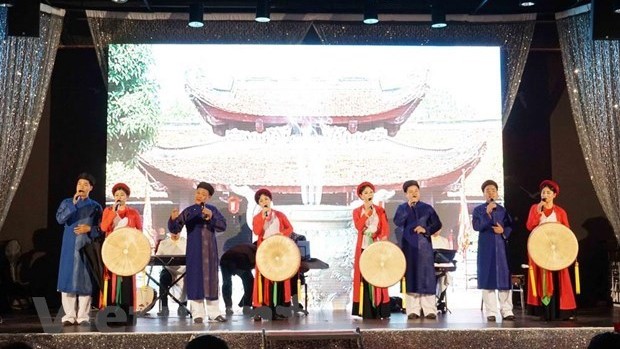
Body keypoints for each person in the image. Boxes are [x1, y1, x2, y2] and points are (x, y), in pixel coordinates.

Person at [168, 182, 227, 323]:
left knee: (211, 281)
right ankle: (197, 314)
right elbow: (175, 229)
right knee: (195, 280)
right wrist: (173, 218)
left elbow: (222, 226)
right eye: (198, 192)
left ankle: (214, 313)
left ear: (209, 197)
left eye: (203, 194)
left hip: (210, 252)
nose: (200, 196)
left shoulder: (213, 210)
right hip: (194, 251)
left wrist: (211, 216)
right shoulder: (189, 211)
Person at [55, 172, 102, 326]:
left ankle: (83, 315)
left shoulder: (95, 206)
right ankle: (69, 315)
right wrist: (72, 206)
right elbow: (60, 219)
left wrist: (89, 228)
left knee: (85, 280)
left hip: (86, 246)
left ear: (91, 188)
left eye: (85, 184)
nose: (81, 187)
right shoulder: (67, 202)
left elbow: (101, 229)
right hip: (69, 247)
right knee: (67, 278)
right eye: (79, 184)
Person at [526, 179, 577, 320]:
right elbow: (530, 226)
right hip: (539, 249)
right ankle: (544, 311)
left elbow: (567, 232)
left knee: (559, 278)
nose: (545, 195)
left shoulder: (560, 212)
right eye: (543, 192)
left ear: (554, 195)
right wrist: (538, 211)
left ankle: (562, 311)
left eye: (548, 192)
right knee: (542, 278)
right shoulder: (535, 208)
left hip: (557, 250)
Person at [393, 180, 442, 319]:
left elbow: (437, 224)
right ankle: (412, 310)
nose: (414, 194)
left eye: (416, 191)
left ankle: (429, 309)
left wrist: (425, 229)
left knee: (426, 276)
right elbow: (397, 222)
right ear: (406, 194)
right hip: (409, 248)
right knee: (412, 276)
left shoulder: (427, 208)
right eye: (411, 192)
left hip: (425, 247)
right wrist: (408, 208)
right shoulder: (402, 208)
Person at [99, 182, 143, 324]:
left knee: (126, 284)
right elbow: (104, 227)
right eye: (116, 195)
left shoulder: (133, 213)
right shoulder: (108, 211)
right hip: (112, 253)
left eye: (122, 195)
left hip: (128, 253)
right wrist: (113, 212)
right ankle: (112, 314)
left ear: (127, 197)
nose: (119, 197)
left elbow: (139, 233)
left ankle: (127, 314)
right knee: (111, 282)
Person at [472, 180, 515, 322]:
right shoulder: (478, 210)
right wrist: (487, 213)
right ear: (483, 193)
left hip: (501, 249)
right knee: (487, 279)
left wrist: (504, 231)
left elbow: (509, 226)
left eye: (493, 190)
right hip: (486, 248)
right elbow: (477, 226)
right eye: (487, 190)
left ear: (497, 193)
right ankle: (491, 311)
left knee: (504, 279)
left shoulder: (503, 210)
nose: (490, 193)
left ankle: (507, 310)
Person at [251, 188, 294, 320]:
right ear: (258, 203)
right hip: (265, 250)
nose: (264, 202)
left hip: (279, 249)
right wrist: (264, 218)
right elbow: (257, 231)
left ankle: (281, 309)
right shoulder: (257, 217)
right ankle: (265, 309)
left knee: (280, 277)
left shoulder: (279, 215)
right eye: (261, 200)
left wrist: (281, 234)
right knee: (265, 279)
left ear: (270, 200)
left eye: (266, 199)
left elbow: (290, 228)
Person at [351, 182, 391, 319]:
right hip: (363, 247)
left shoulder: (380, 210)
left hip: (377, 246)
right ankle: (366, 310)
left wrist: (381, 238)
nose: (369, 195)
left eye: (371, 192)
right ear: (361, 196)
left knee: (378, 276)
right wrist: (366, 213)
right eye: (366, 193)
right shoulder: (357, 211)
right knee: (365, 277)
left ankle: (381, 308)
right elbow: (358, 226)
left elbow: (384, 228)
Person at [155, 231, 187, 317]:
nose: (175, 233)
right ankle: (164, 308)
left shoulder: (186, 242)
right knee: (163, 278)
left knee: (187, 279)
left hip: (183, 270)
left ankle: (183, 306)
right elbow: (158, 257)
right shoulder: (163, 243)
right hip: (169, 270)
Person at [220, 243, 256, 315]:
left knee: (227, 282)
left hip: (225, 259)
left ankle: (228, 307)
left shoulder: (247, 246)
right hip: (240, 260)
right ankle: (246, 306)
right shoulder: (257, 250)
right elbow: (253, 264)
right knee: (250, 282)